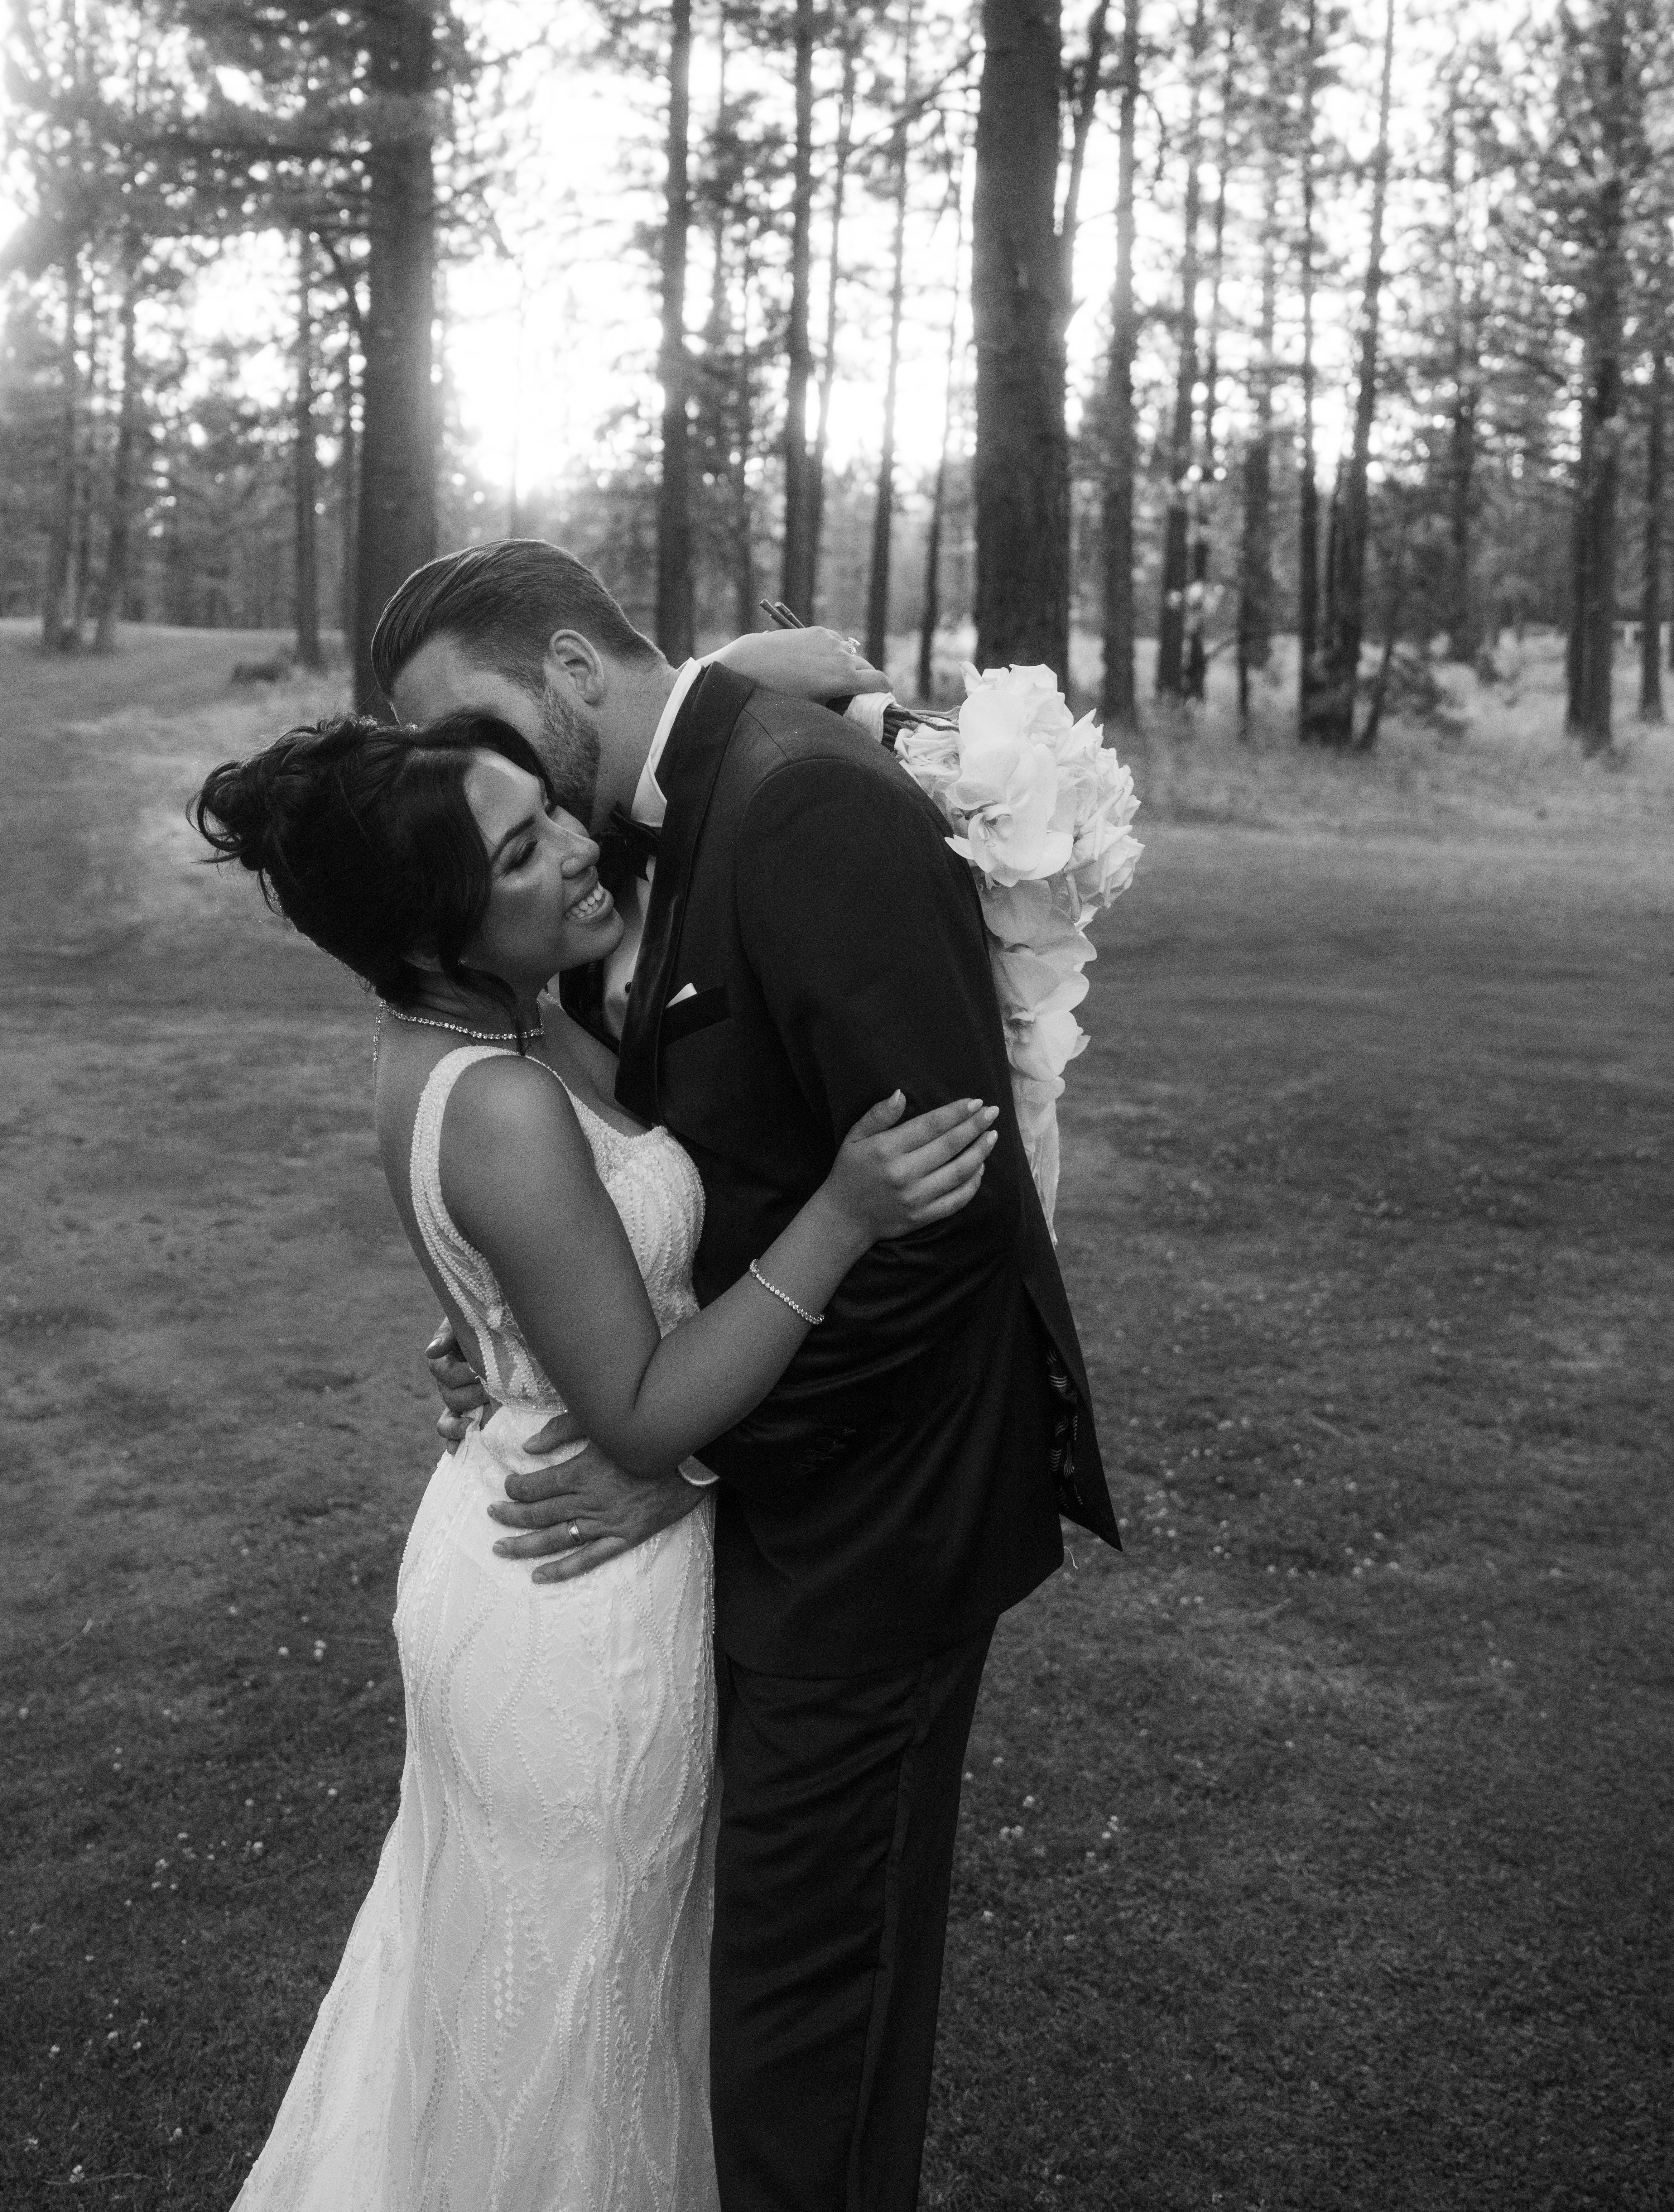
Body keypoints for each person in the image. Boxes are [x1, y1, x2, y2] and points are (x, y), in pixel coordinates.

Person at [195, 665, 1001, 2212]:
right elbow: (636, 1416)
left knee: (545, 2013)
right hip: (567, 1605)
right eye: (515, 857)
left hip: (517, 1524)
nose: (572, 847)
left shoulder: (485, 1030)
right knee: (573, 2037)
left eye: (548, 810)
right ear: (433, 932)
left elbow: (584, 1258)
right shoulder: (494, 1096)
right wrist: (839, 1218)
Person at [374, 542, 1120, 2212]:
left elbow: (943, 1220)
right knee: (758, 2008)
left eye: (476, 733)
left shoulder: (803, 811)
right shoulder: (662, 805)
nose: (471, 785)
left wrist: (677, 1449)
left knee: (805, 2036)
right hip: (777, 1515)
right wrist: (549, 1326)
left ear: (569, 674)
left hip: (873, 1530)